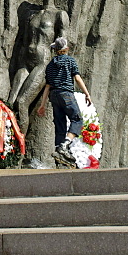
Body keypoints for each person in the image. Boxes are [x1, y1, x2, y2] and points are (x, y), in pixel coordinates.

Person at [37, 36, 93, 166]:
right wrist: (87, 94)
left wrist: (43, 104)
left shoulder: (50, 65)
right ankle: (66, 144)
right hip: (66, 94)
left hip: (54, 96)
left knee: (60, 124)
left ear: (55, 49)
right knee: (77, 119)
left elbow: (47, 86)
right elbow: (77, 79)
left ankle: (59, 152)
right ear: (66, 48)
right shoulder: (70, 61)